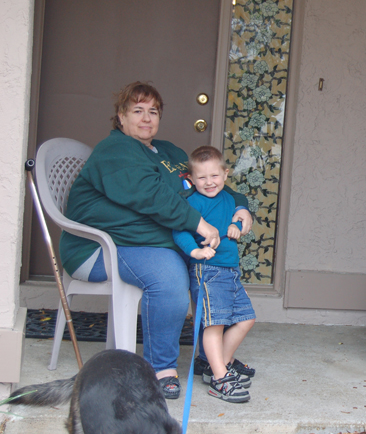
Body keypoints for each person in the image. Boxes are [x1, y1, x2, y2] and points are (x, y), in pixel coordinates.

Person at [60, 81, 254, 400]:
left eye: (153, 111)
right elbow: (152, 196)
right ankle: (160, 367)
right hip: (99, 247)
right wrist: (199, 223)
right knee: (169, 276)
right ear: (121, 117)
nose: (146, 117)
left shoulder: (168, 152)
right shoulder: (116, 149)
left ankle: (212, 358)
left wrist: (241, 204)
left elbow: (204, 182)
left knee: (209, 272)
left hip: (146, 241)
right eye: (137, 110)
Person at [173, 146, 256, 403]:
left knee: (245, 319)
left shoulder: (230, 200)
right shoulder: (192, 203)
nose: (209, 182)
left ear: (225, 174)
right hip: (208, 270)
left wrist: (237, 225)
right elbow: (180, 231)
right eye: (202, 177)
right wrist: (195, 252)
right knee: (214, 324)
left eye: (214, 176)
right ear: (191, 178)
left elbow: (238, 220)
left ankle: (217, 364)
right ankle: (220, 377)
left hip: (230, 271)